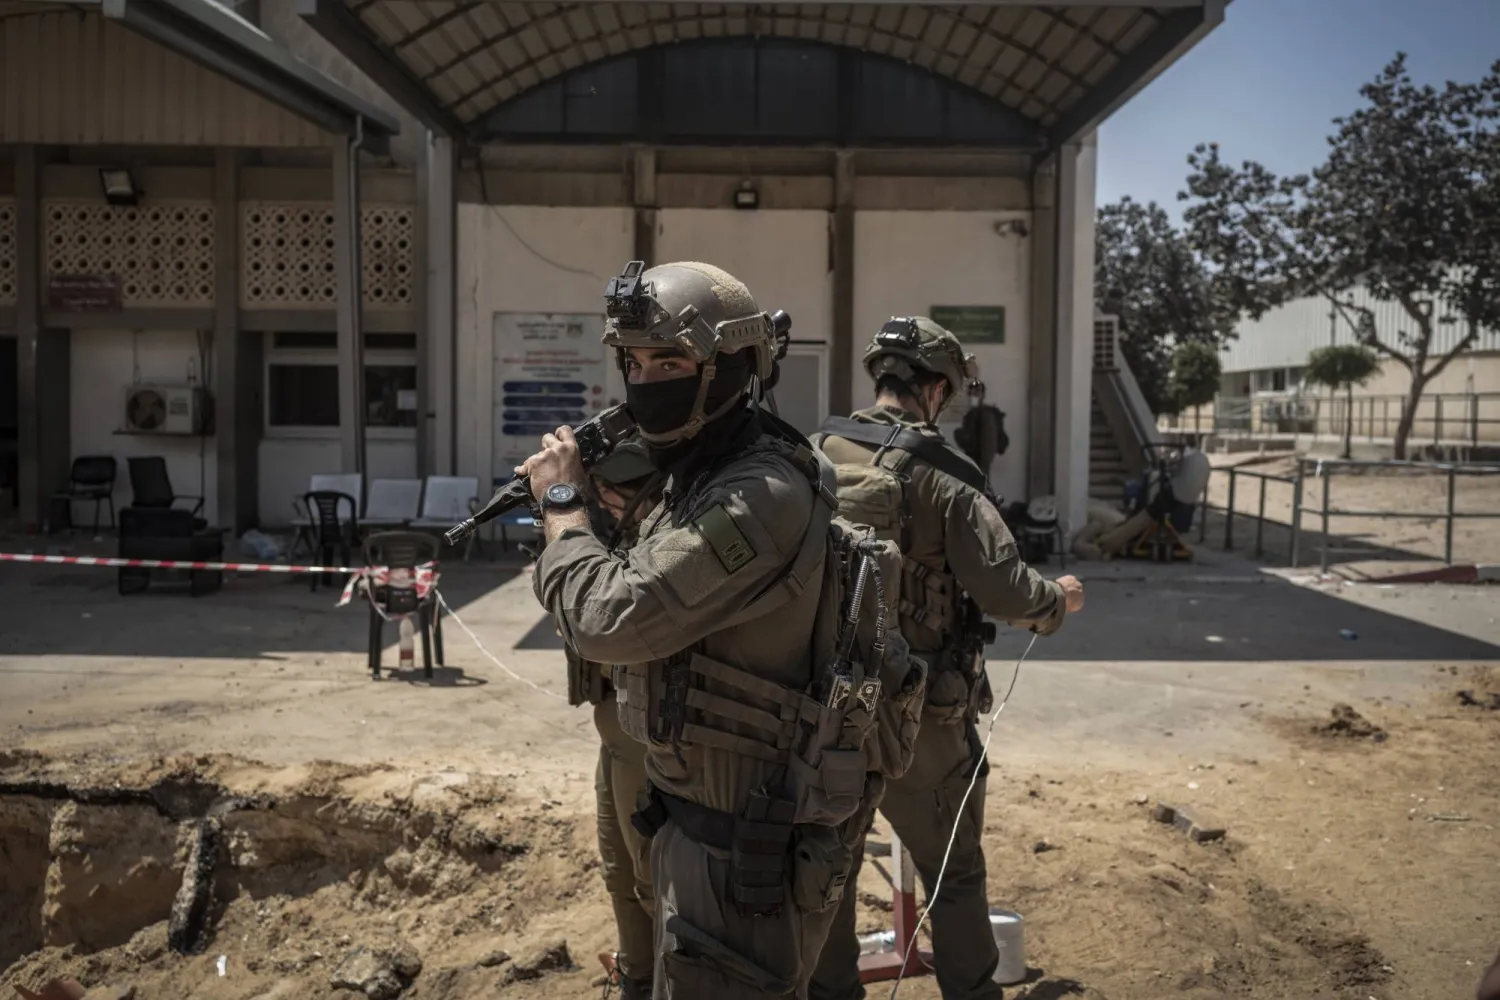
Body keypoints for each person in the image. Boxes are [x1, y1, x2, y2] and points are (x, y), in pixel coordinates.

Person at [520, 260, 854, 999]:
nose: (645, 382)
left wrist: (564, 505)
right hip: (692, 820)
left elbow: (606, 618)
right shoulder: (699, 472)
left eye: (668, 363)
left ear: (731, 366)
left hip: (742, 844)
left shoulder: (759, 493)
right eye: (634, 364)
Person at [807, 316, 1085, 1000]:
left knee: (827, 866)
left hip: (822, 705)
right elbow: (1006, 590)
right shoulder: (949, 476)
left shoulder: (814, 453)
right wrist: (1056, 601)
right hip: (920, 715)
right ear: (935, 389)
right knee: (953, 872)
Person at [563, 440, 661, 1000]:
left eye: (610, 493)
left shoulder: (662, 544)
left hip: (647, 737)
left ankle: (665, 983)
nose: (602, 504)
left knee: (651, 880)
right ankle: (638, 979)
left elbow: (606, 620)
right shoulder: (619, 537)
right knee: (619, 873)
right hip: (614, 728)